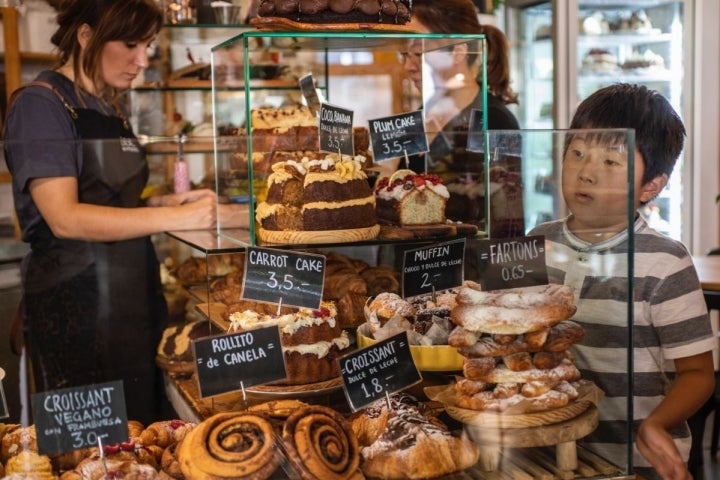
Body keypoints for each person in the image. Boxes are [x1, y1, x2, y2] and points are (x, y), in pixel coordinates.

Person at [3, 0, 219, 425]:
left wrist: (162, 203)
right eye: (131, 44)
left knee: (143, 437)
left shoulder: (110, 108)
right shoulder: (39, 106)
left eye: (149, 45)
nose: (142, 60)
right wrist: (173, 220)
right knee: (89, 451)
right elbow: (64, 217)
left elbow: (109, 201)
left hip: (132, 301)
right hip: (75, 310)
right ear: (86, 36)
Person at [529, 83, 716, 480]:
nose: (586, 172)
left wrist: (658, 425)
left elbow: (698, 373)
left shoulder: (665, 261)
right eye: (577, 153)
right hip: (544, 453)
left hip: (634, 461)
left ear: (652, 186)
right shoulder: (536, 240)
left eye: (611, 162)